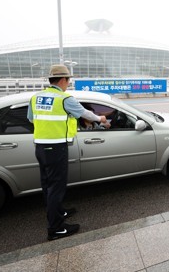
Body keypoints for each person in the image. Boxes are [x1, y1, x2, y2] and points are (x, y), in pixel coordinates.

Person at [27, 64, 109, 240]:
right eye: (68, 80)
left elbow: (30, 118)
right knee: (56, 186)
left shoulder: (36, 97)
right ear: (63, 80)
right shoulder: (64, 98)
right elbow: (85, 113)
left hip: (40, 147)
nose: (68, 84)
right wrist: (100, 118)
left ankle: (58, 212)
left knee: (47, 185)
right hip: (56, 148)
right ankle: (55, 229)